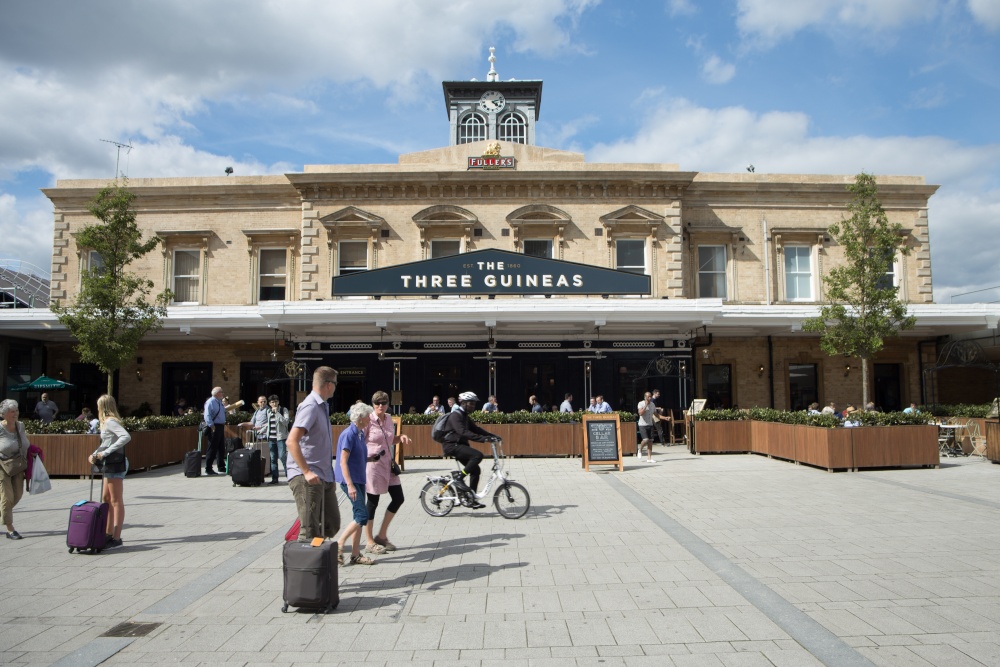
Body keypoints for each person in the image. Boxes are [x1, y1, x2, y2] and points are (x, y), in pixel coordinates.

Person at [286, 366, 340, 543]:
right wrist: (306, 472)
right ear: (329, 385)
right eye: (336, 383)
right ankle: (309, 565)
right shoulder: (310, 406)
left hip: (323, 475)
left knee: (331, 523)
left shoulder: (322, 406)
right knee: (309, 530)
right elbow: (291, 441)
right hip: (306, 476)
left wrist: (330, 477)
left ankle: (317, 552)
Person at [362, 391, 409, 554]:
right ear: (372, 404)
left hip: (388, 465)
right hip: (373, 466)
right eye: (377, 403)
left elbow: (389, 440)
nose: (380, 405)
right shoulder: (368, 420)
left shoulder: (388, 418)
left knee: (398, 498)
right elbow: (359, 441)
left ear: (388, 404)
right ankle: (369, 542)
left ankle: (381, 535)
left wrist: (401, 437)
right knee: (373, 502)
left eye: (383, 402)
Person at [440, 391, 499, 509]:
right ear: (463, 403)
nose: (473, 406)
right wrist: (483, 439)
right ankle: (459, 478)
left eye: (473, 404)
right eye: (470, 404)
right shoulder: (455, 415)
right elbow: (463, 432)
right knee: (478, 455)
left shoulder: (465, 416)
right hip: (452, 445)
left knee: (475, 470)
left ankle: (470, 499)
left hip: (460, 445)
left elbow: (476, 429)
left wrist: (492, 436)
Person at [335, 402, 375, 565]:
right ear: (360, 418)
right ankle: (339, 543)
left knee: (357, 515)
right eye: (368, 417)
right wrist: (350, 485)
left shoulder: (358, 433)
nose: (370, 419)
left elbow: (356, 457)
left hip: (359, 479)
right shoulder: (349, 434)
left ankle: (356, 554)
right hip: (350, 480)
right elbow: (343, 462)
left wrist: (371, 459)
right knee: (362, 515)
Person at [88, 394, 130, 548]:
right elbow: (106, 443)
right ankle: (108, 532)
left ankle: (116, 537)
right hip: (110, 463)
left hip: (115, 463)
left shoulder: (110, 422)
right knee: (106, 498)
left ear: (102, 407)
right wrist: (95, 454)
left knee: (116, 499)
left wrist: (105, 453)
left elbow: (125, 437)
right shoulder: (105, 422)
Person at [0, 399, 29, 540]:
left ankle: (3, 513)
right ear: (4, 414)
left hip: (17, 465)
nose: (15, 413)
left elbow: (25, 443)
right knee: (7, 497)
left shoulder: (20, 426)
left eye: (16, 410)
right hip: (2, 465)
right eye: (12, 411)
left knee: (17, 495)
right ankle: (10, 529)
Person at [253, 394, 289, 485]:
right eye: (272, 402)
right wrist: (261, 430)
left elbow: (286, 422)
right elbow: (268, 424)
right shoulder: (269, 412)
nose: (274, 404)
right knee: (273, 459)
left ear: (278, 402)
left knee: (282, 457)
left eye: (276, 401)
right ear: (270, 403)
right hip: (271, 438)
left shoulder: (283, 410)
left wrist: (277, 413)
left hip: (281, 438)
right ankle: (275, 478)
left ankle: (289, 477)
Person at [202, 387, 227, 475]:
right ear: (216, 393)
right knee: (212, 447)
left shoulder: (219, 402)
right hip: (214, 426)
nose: (222, 393)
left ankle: (221, 466)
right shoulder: (210, 402)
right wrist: (211, 426)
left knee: (221, 447)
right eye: (221, 392)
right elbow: (207, 415)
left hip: (220, 426)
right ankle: (208, 468)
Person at [637, 391, 656, 463]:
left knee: (650, 441)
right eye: (648, 397)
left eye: (650, 396)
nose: (650, 398)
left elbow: (655, 413)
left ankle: (649, 458)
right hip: (642, 424)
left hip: (650, 424)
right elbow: (640, 413)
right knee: (645, 440)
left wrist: (664, 418)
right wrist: (646, 405)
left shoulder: (653, 404)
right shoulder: (640, 403)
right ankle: (640, 449)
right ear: (645, 397)